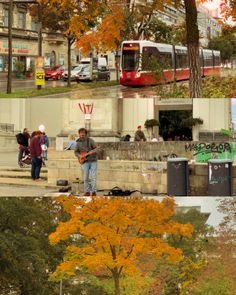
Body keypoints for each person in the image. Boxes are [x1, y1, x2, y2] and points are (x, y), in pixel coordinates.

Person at [74, 128, 98, 196]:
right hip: (84, 162)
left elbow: (96, 149)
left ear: (86, 134)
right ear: (79, 134)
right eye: (81, 135)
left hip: (93, 160)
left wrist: (93, 151)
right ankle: (87, 191)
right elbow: (76, 152)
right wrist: (80, 156)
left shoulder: (90, 140)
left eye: (83, 135)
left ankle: (93, 191)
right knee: (85, 177)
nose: (82, 136)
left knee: (93, 177)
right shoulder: (78, 142)